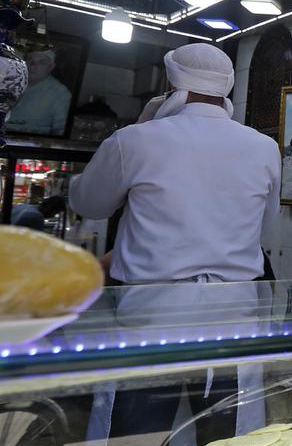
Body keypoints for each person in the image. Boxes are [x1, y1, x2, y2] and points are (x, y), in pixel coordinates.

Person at [69, 43, 280, 284]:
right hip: (236, 304)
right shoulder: (265, 147)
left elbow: (88, 206)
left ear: (172, 85)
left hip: (149, 304)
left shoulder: (134, 139)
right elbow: (264, 221)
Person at [7, 48, 71, 136]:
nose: (33, 65)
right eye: (30, 60)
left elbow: (61, 131)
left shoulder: (60, 94)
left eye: (42, 62)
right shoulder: (9, 80)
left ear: (51, 67)